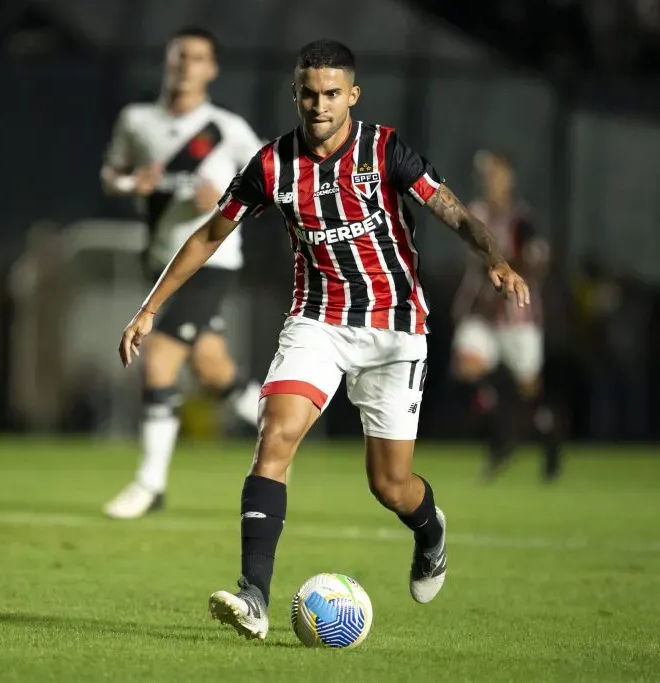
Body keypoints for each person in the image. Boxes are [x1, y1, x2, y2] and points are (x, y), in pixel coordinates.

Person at [117, 39, 530, 640]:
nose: (320, 105)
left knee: (390, 485)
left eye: (332, 94)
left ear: (352, 96)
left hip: (395, 327)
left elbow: (456, 212)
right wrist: (150, 306)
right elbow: (209, 234)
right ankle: (253, 597)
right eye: (309, 93)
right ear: (296, 94)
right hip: (318, 321)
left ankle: (430, 531)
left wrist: (494, 257)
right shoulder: (271, 166)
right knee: (274, 439)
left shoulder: (385, 151)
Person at [100, 26, 267, 519]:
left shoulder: (226, 128)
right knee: (212, 366)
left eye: (197, 58)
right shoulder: (137, 121)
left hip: (212, 263)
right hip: (161, 262)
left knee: (158, 361)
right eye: (179, 57)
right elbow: (111, 176)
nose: (186, 66)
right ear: (167, 63)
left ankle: (150, 485)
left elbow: (273, 188)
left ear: (211, 69)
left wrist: (224, 198)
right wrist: (134, 183)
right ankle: (274, 422)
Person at [450, 150, 561, 481]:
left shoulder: (521, 219)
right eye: (487, 174)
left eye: (496, 173)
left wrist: (511, 265)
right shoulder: (476, 211)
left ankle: (549, 443)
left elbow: (539, 260)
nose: (490, 180)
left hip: (517, 316)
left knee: (529, 390)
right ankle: (502, 438)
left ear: (508, 178)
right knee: (468, 367)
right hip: (481, 314)